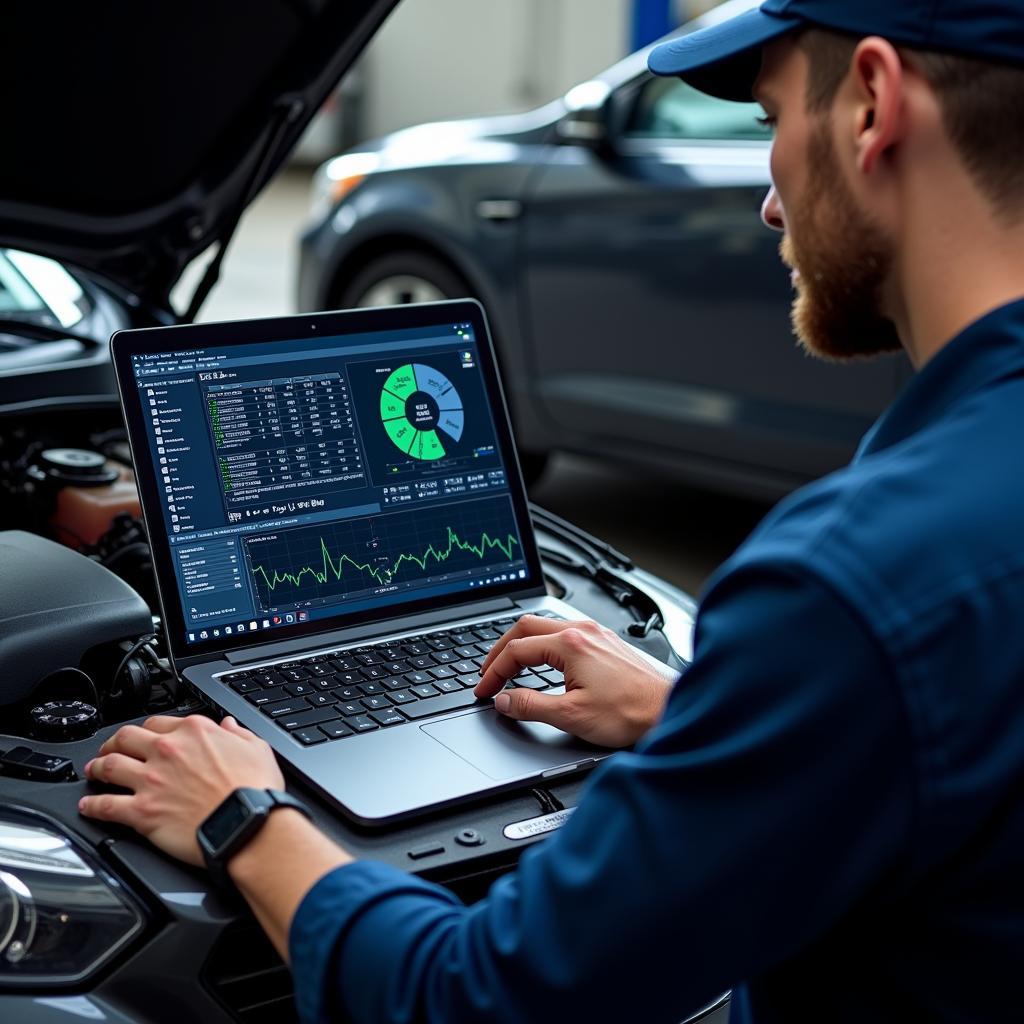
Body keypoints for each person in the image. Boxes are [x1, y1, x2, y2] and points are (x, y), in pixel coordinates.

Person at [79, 0, 1024, 1019]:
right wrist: (705, 718)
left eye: (768, 121)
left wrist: (242, 816)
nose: (769, 203)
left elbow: (478, 998)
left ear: (872, 105)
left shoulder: (849, 584)